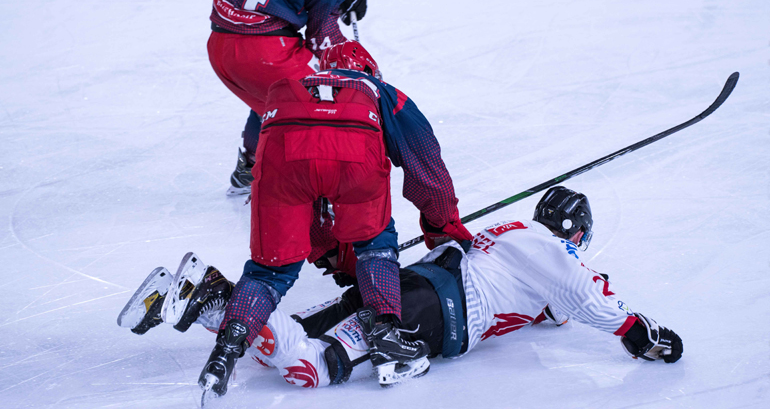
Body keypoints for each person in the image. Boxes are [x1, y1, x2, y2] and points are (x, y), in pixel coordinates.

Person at [118, 186, 683, 391]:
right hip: (433, 312)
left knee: (280, 341)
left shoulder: (510, 235)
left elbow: (555, 306)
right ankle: (212, 295)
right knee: (309, 367)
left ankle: (206, 300)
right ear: (576, 233)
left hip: (401, 287)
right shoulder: (548, 247)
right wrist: (641, 331)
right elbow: (587, 297)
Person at [205, 41, 471, 396]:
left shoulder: (302, 86)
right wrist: (444, 229)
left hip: (280, 148)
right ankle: (388, 338)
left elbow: (308, 208)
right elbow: (427, 171)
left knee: (269, 271)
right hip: (353, 150)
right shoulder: (382, 92)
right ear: (371, 71)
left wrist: (332, 255)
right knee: (375, 245)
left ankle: (224, 353)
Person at [207, 0, 381, 195]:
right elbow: (321, 39)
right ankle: (318, 191)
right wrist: (356, 68)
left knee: (279, 92)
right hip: (262, 51)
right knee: (326, 99)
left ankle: (249, 168)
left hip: (220, 43)